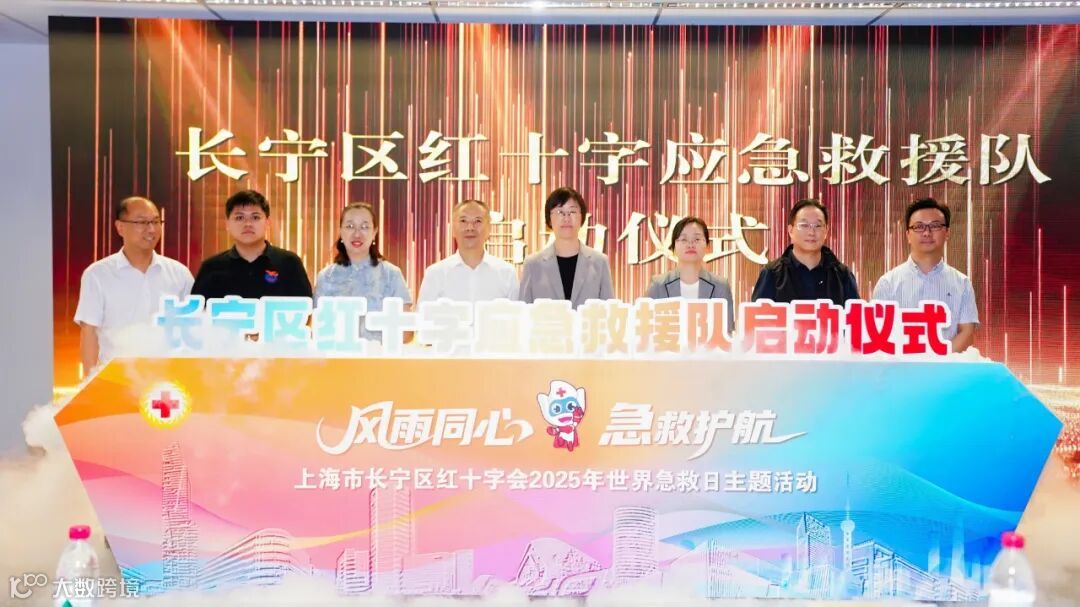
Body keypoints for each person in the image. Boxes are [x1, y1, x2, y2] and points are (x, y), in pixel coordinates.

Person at [74, 196, 193, 372]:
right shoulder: (98, 274)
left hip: (167, 378)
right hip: (116, 378)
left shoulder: (179, 274)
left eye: (155, 222)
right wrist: (89, 381)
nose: (151, 229)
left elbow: (193, 328)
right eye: (142, 222)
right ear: (120, 227)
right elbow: (89, 332)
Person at [873, 197, 978, 352]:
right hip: (900, 365)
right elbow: (877, 333)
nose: (927, 233)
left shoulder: (962, 283)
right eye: (919, 227)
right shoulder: (887, 284)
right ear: (908, 235)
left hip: (948, 365)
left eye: (935, 226)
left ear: (947, 232)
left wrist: (939, 362)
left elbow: (967, 333)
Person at [314, 202, 412, 341]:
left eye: (364, 227)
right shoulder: (326, 277)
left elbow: (406, 332)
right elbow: (318, 328)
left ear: (374, 232)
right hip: (338, 353)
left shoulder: (391, 274)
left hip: (380, 353)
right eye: (350, 226)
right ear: (340, 231)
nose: (357, 234)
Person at [191, 190, 312, 299]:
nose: (248, 224)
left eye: (255, 217)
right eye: (239, 218)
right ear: (227, 224)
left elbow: (305, 309)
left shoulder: (289, 263)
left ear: (267, 223)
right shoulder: (211, 267)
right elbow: (197, 312)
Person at [519, 187, 614, 308]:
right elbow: (523, 313)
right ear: (549, 219)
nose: (566, 218)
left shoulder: (600, 262)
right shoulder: (532, 264)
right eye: (560, 212)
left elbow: (609, 311)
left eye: (572, 212)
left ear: (582, 217)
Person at [751, 198, 859, 304]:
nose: (811, 232)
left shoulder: (842, 275)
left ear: (826, 231)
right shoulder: (772, 274)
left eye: (817, 225)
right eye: (804, 225)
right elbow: (758, 314)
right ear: (790, 230)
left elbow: (855, 314)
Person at [417, 199, 518, 305]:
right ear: (453, 229)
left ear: (489, 228)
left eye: (478, 221)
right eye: (463, 221)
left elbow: (518, 314)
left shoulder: (507, 273)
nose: (470, 228)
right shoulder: (435, 274)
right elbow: (423, 314)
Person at [645, 216, 734, 329]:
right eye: (684, 239)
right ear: (673, 247)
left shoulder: (720, 286)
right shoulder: (658, 285)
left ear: (707, 245)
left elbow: (727, 330)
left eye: (697, 239)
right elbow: (646, 328)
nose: (690, 244)